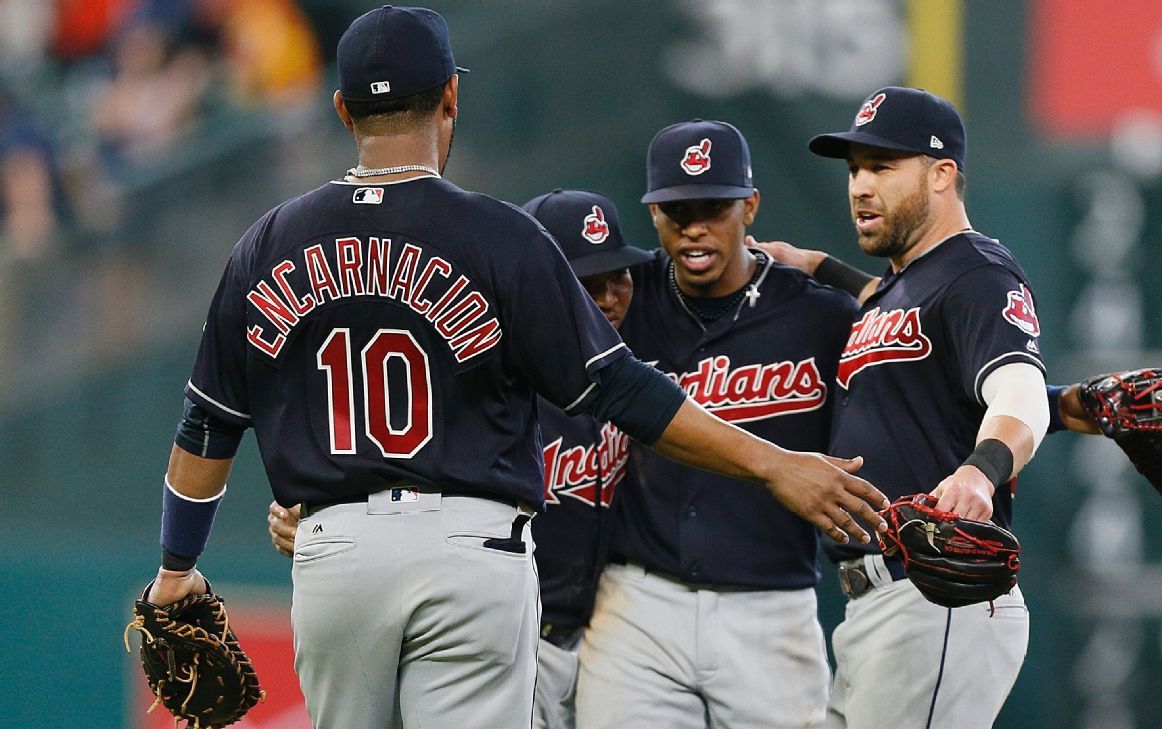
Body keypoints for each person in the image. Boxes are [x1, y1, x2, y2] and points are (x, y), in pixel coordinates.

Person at [137, 8, 890, 729]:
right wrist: (771, 462)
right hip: (472, 548)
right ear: (450, 97)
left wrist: (176, 567)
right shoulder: (500, 235)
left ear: (341, 110)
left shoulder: (268, 241)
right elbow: (621, 388)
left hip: (337, 546)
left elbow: (207, 422)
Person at [270, 187, 649, 729]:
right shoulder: (485, 381)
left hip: (612, 636)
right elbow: (389, 469)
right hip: (507, 630)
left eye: (619, 277)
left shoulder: (629, 366)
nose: (608, 298)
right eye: (587, 284)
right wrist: (317, 515)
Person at [572, 119, 863, 729]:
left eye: (713, 208)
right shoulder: (625, 296)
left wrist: (825, 266)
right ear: (653, 213)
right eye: (677, 211)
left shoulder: (817, 312)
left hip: (771, 608)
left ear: (749, 206)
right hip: (638, 604)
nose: (695, 227)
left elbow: (920, 332)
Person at [803, 86, 1048, 729]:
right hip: (878, 607)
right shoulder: (902, 283)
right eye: (854, 169)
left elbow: (1020, 391)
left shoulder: (977, 272)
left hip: (934, 598)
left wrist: (980, 472)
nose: (861, 186)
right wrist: (817, 266)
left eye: (883, 167)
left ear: (941, 175)